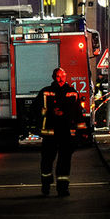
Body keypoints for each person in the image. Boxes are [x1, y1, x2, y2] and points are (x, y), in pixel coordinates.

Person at [32, 67, 81, 196]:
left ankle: (63, 188)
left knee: (64, 161)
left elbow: (78, 114)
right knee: (47, 160)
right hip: (50, 133)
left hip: (65, 133)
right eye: (58, 76)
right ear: (54, 77)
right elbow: (35, 109)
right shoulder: (45, 92)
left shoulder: (73, 93)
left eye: (63, 75)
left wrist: (82, 131)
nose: (61, 78)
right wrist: (49, 113)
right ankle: (46, 185)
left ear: (66, 77)